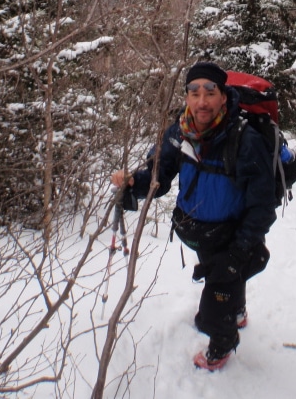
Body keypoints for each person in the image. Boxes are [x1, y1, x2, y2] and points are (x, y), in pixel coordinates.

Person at [111, 61, 278, 371]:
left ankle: (221, 348)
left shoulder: (244, 141)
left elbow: (262, 206)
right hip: (198, 231)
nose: (202, 101)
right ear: (187, 96)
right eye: (194, 92)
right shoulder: (180, 131)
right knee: (224, 281)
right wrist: (135, 181)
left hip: (231, 237)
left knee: (213, 309)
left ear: (223, 96)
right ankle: (237, 310)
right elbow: (160, 174)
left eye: (210, 92)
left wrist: (239, 252)